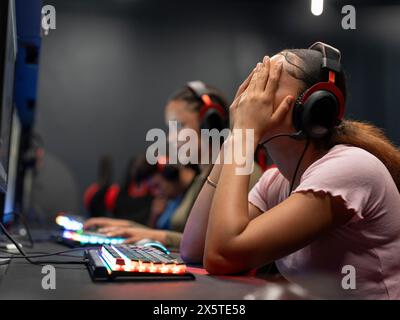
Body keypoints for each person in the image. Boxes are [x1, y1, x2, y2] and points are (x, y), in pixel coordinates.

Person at [180, 43, 400, 299]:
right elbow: (193, 248)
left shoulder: (350, 167)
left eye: (268, 84)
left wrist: (243, 135)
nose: (251, 98)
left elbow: (223, 255)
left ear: (315, 107)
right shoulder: (275, 182)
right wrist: (234, 139)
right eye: (254, 84)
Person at [84, 82, 263, 248]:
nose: (170, 138)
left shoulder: (241, 173)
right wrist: (126, 227)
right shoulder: (201, 177)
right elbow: (184, 235)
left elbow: (215, 244)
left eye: (179, 126)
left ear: (210, 124)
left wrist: (158, 236)